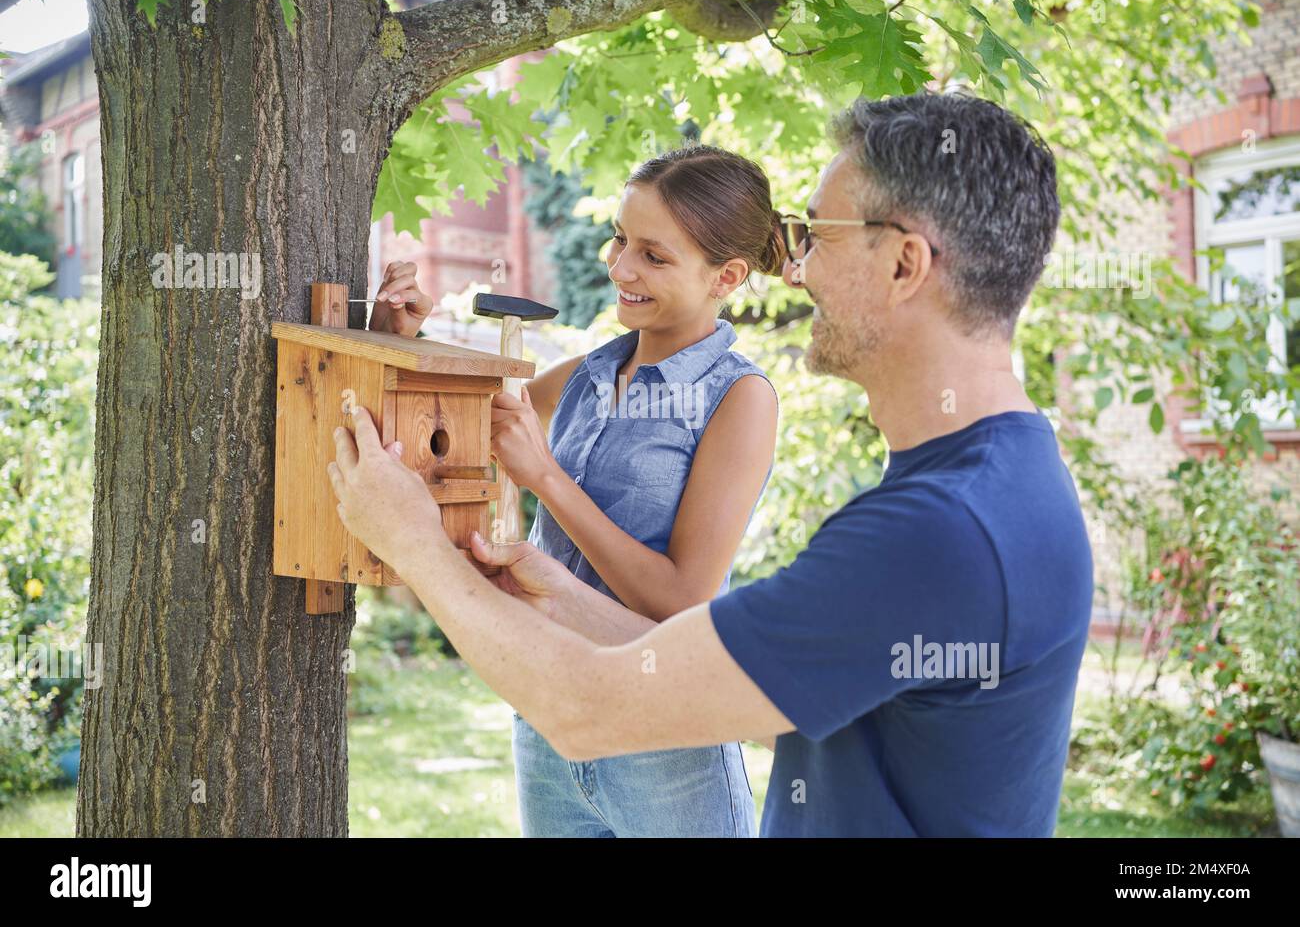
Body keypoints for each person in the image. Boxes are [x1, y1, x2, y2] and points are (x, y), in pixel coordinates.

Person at [330, 91, 1094, 837]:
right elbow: (747, 694)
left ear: (904, 265)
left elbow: (587, 707)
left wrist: (415, 547)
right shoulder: (998, 486)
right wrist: (561, 596)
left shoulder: (938, 532)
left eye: (815, 236)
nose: (794, 270)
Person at [376, 145, 782, 836]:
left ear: (728, 275)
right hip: (549, 716)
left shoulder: (738, 399)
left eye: (655, 256)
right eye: (621, 239)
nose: (621, 267)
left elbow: (683, 600)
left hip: (666, 747)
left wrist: (547, 481)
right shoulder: (587, 375)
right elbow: (460, 428)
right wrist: (408, 341)